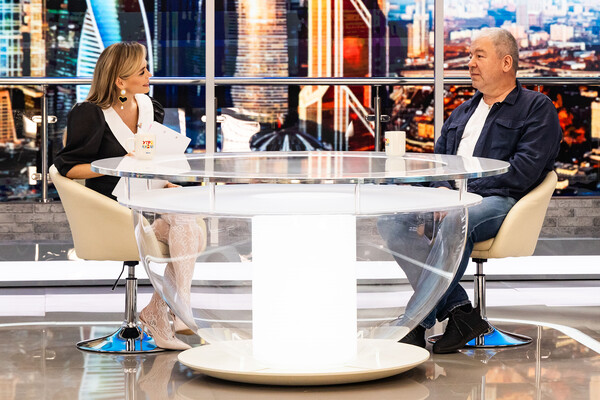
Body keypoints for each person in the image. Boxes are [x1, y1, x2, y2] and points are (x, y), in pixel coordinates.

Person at [378, 28, 562, 353]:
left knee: (458, 218)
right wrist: (441, 190)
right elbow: (439, 163)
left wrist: (461, 197)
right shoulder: (462, 112)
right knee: (392, 221)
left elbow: (522, 172)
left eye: (479, 56)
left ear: (506, 63)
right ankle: (462, 313)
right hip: (453, 201)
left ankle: (414, 323)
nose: (470, 63)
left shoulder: (537, 108)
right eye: (469, 56)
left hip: (501, 202)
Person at [54, 42, 203, 350]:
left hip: (148, 201)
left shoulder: (150, 107)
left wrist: (164, 182)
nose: (149, 75)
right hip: (111, 210)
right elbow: (68, 169)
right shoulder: (89, 114)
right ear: (120, 80)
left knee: (189, 222)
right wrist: (118, 165)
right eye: (142, 70)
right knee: (189, 228)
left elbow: (151, 156)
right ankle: (172, 310)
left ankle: (166, 310)